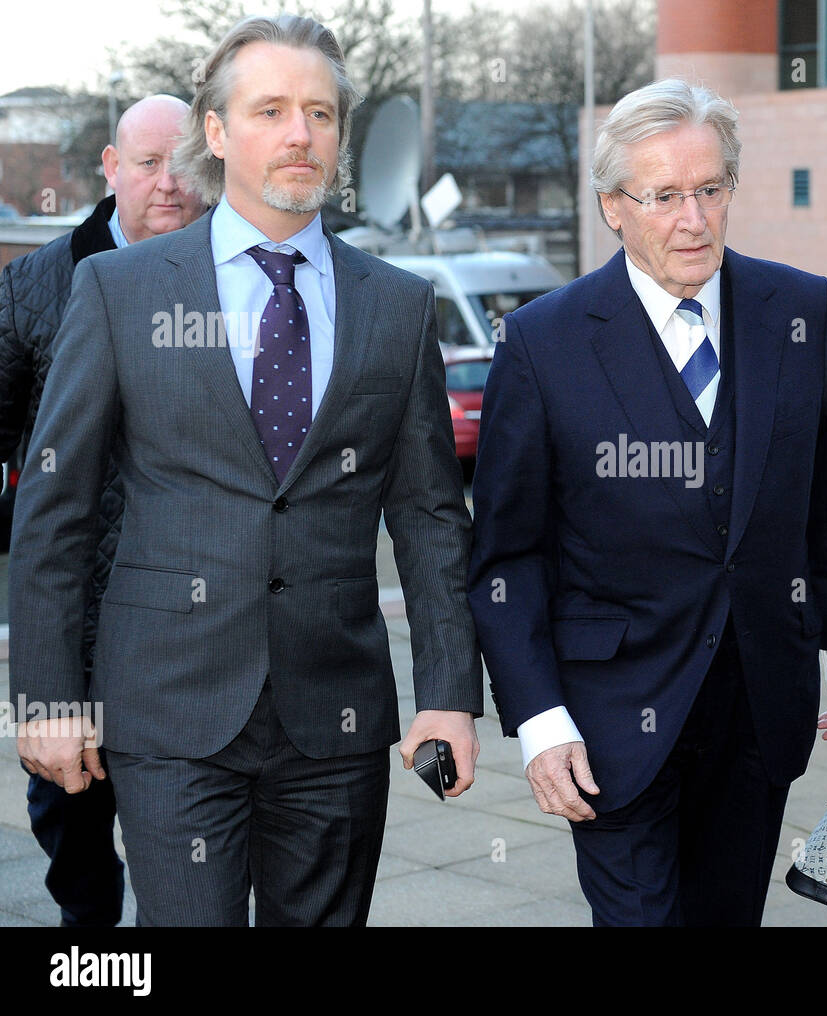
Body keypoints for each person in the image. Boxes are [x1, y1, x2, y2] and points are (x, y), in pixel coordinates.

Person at [9, 13, 480, 926]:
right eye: (270, 109)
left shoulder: (399, 305)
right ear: (216, 134)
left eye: (319, 112)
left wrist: (451, 696)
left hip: (336, 720)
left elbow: (429, 515)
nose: (300, 133)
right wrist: (46, 696)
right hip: (168, 713)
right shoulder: (121, 289)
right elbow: (54, 507)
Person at [468, 78, 827, 927]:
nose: (693, 218)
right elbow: (508, 558)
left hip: (759, 703)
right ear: (613, 207)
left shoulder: (800, 309)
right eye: (663, 196)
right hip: (609, 715)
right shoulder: (543, 341)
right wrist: (539, 719)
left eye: (710, 189)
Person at [0, 94, 204, 927]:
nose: (169, 184)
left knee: (192, 843)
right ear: (111, 170)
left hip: (195, 626)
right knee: (75, 827)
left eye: (186, 164)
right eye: (148, 163)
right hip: (77, 626)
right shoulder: (38, 284)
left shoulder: (241, 280)